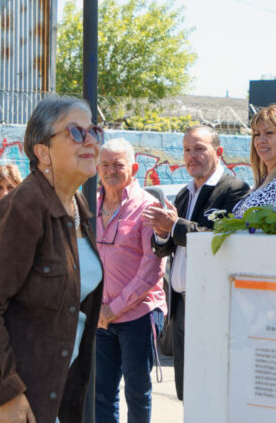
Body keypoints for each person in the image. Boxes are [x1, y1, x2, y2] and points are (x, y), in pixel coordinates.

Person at [0, 96, 104, 423]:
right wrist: (7, 392)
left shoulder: (77, 206)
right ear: (42, 152)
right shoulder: (21, 210)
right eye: (76, 132)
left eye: (94, 131)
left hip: (58, 390)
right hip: (18, 399)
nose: (92, 142)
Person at [144, 126, 249, 401]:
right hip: (180, 307)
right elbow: (165, 249)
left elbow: (221, 242)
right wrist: (162, 232)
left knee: (211, 394)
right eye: (187, 150)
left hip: (211, 306)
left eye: (200, 148)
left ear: (219, 152)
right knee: (186, 392)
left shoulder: (234, 191)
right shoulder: (182, 194)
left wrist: (175, 225)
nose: (192, 156)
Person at [93, 138, 165, 423]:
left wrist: (116, 308)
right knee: (101, 392)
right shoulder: (89, 204)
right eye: (105, 165)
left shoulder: (147, 207)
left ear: (133, 168)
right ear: (97, 169)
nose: (111, 170)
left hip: (137, 314)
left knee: (136, 392)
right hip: (100, 316)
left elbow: (152, 268)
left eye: (118, 165)